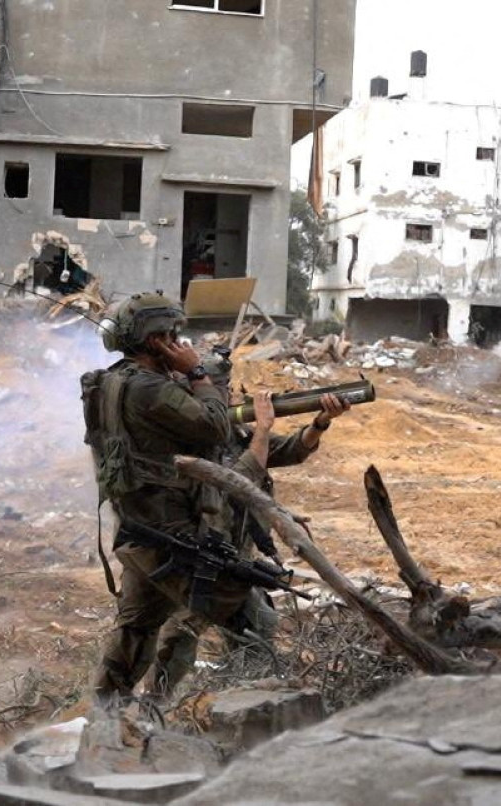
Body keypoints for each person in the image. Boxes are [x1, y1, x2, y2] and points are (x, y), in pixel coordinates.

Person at [82, 292, 348, 704]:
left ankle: (109, 716)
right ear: (155, 340)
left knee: (136, 629)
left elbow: (278, 449)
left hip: (144, 532)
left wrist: (319, 423)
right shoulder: (157, 394)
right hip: (178, 538)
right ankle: (248, 712)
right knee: (250, 622)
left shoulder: (115, 385)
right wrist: (202, 382)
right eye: (171, 335)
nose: (180, 344)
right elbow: (221, 442)